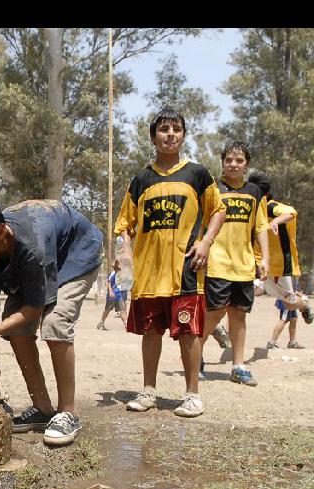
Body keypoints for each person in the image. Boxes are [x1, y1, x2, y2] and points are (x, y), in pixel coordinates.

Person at [0, 192, 103, 446]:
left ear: (1, 232)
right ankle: (42, 409)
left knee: (55, 321)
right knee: (17, 331)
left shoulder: (31, 245)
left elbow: (34, 309)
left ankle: (68, 412)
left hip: (76, 253)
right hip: (37, 258)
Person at [115, 107, 226, 418]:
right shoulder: (141, 179)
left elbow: (218, 210)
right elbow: (125, 223)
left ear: (183, 135)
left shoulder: (198, 173)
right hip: (150, 273)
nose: (170, 134)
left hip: (186, 270)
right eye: (164, 129)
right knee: (151, 332)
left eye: (176, 129)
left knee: (189, 333)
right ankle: (148, 390)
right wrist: (123, 252)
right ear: (153, 137)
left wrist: (206, 242)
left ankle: (192, 395)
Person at [198, 142, 269, 386]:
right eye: (228, 160)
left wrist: (264, 259)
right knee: (214, 313)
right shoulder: (213, 189)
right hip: (217, 262)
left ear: (246, 164)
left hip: (244, 265)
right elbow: (202, 223)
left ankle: (238, 366)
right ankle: (195, 358)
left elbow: (260, 227)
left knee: (239, 315)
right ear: (222, 163)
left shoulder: (255, 193)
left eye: (239, 161)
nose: (233, 164)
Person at [248, 173, 313, 324]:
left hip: (279, 265)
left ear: (265, 194)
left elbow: (290, 212)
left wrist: (276, 221)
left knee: (289, 303)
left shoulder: (271, 207)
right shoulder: (251, 208)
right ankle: (225, 330)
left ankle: (303, 303)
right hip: (258, 261)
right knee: (243, 294)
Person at [97, 260, 127, 330]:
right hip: (112, 295)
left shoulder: (121, 274)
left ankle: (126, 324)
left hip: (119, 295)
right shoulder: (113, 273)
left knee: (122, 310)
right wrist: (110, 291)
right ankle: (101, 323)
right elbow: (108, 282)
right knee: (107, 310)